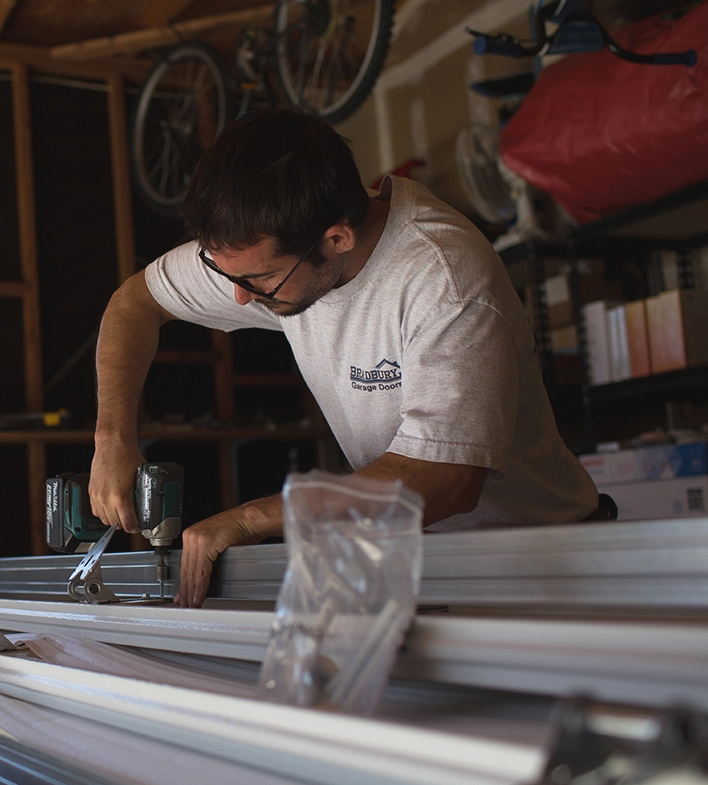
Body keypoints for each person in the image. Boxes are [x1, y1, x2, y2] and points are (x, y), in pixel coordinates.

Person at [89, 109, 598, 608]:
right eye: (229, 277)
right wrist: (112, 438)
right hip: (425, 564)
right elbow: (135, 302)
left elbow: (447, 480)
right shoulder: (268, 252)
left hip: (542, 572)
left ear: (336, 239)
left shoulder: (443, 281)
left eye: (258, 281)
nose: (240, 298)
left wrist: (251, 520)